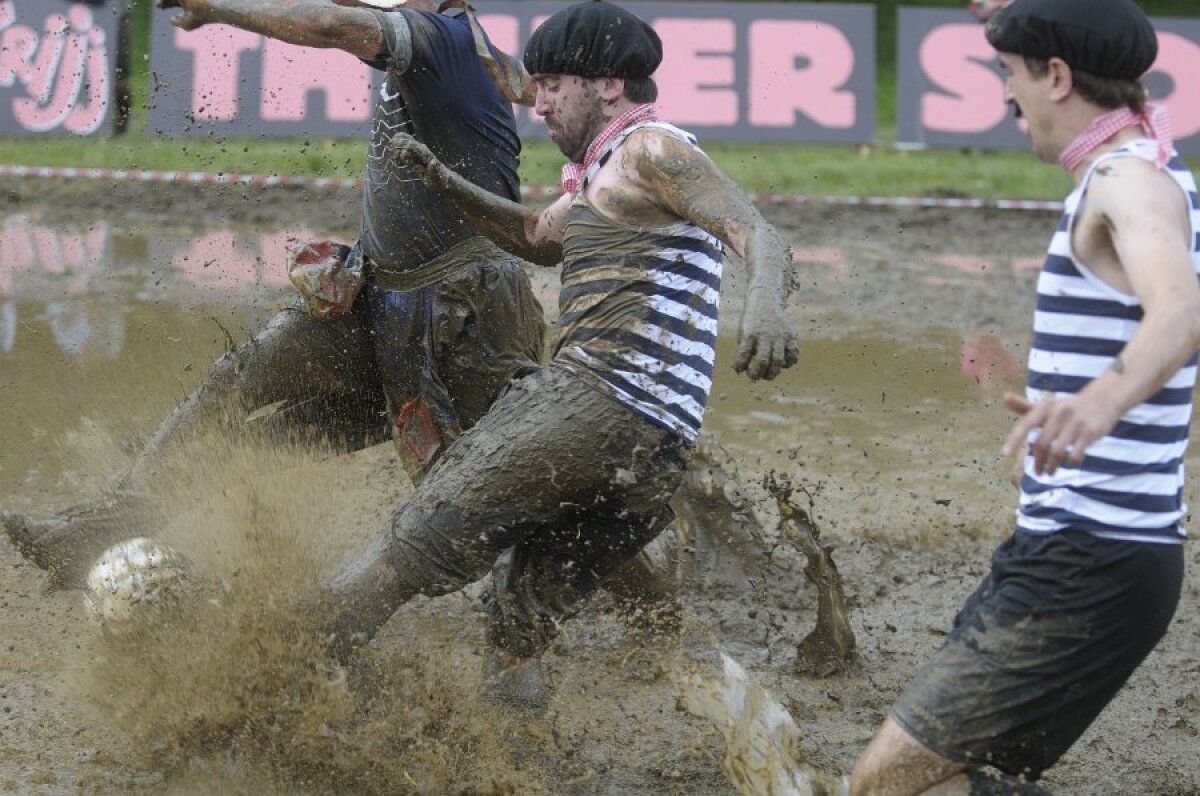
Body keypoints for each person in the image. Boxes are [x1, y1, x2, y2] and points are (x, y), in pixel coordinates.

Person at [323, 0, 799, 706]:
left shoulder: (652, 150)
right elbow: (533, 237)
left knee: (414, 542)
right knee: (516, 628)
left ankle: (268, 668)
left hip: (594, 405)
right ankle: (513, 765)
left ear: (609, 85)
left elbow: (760, 233)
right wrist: (439, 179)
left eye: (552, 85)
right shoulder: (605, 173)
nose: (537, 104)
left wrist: (765, 304)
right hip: (654, 458)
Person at [3, 0, 547, 587]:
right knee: (238, 383)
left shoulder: (435, 36)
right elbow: (514, 79)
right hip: (380, 297)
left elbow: (332, 25)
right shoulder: (465, 41)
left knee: (499, 490)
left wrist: (215, 8)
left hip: (465, 318)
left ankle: (615, 575)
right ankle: (100, 528)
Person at [846, 0, 1200, 793]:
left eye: (1013, 76)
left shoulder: (1125, 179)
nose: (1008, 101)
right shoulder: (1139, 168)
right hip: (1083, 552)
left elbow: (1183, 307)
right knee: (981, 777)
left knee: (884, 784)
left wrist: (1098, 402)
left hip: (1090, 563)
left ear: (1060, 77)